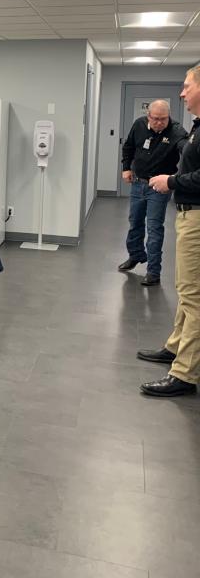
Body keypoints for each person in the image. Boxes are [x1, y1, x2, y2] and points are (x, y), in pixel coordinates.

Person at [139, 67, 200, 397]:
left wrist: (170, 181)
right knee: (186, 290)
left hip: (197, 217)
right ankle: (176, 348)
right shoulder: (196, 127)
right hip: (189, 214)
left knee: (194, 296)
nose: (182, 93)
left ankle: (185, 373)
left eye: (187, 86)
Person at [118, 100, 187, 286]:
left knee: (154, 228)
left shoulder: (177, 131)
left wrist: (176, 178)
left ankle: (153, 272)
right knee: (134, 223)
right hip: (138, 183)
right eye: (155, 119)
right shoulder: (139, 124)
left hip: (158, 187)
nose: (159, 123)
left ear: (168, 116)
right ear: (148, 116)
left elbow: (186, 152)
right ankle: (136, 255)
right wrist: (126, 168)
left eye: (163, 119)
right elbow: (128, 146)